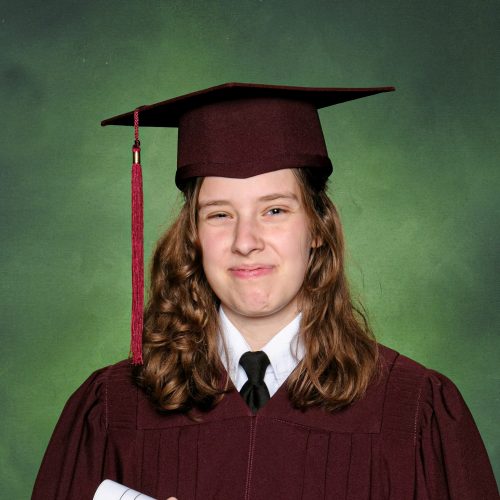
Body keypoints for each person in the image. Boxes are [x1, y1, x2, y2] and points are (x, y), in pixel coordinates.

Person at [32, 83, 498, 499]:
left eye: (274, 210)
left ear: (317, 228)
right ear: (193, 235)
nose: (245, 241)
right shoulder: (112, 410)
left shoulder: (413, 409)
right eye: (219, 214)